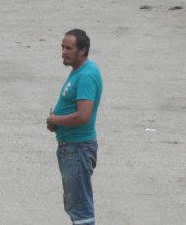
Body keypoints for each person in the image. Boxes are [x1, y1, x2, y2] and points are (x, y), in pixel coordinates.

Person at [47, 29, 103, 225]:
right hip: (72, 147)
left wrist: (55, 120)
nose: (63, 52)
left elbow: (83, 116)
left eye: (69, 48)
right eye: (62, 47)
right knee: (76, 206)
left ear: (83, 50)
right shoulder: (79, 72)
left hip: (77, 148)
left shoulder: (86, 75)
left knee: (81, 211)